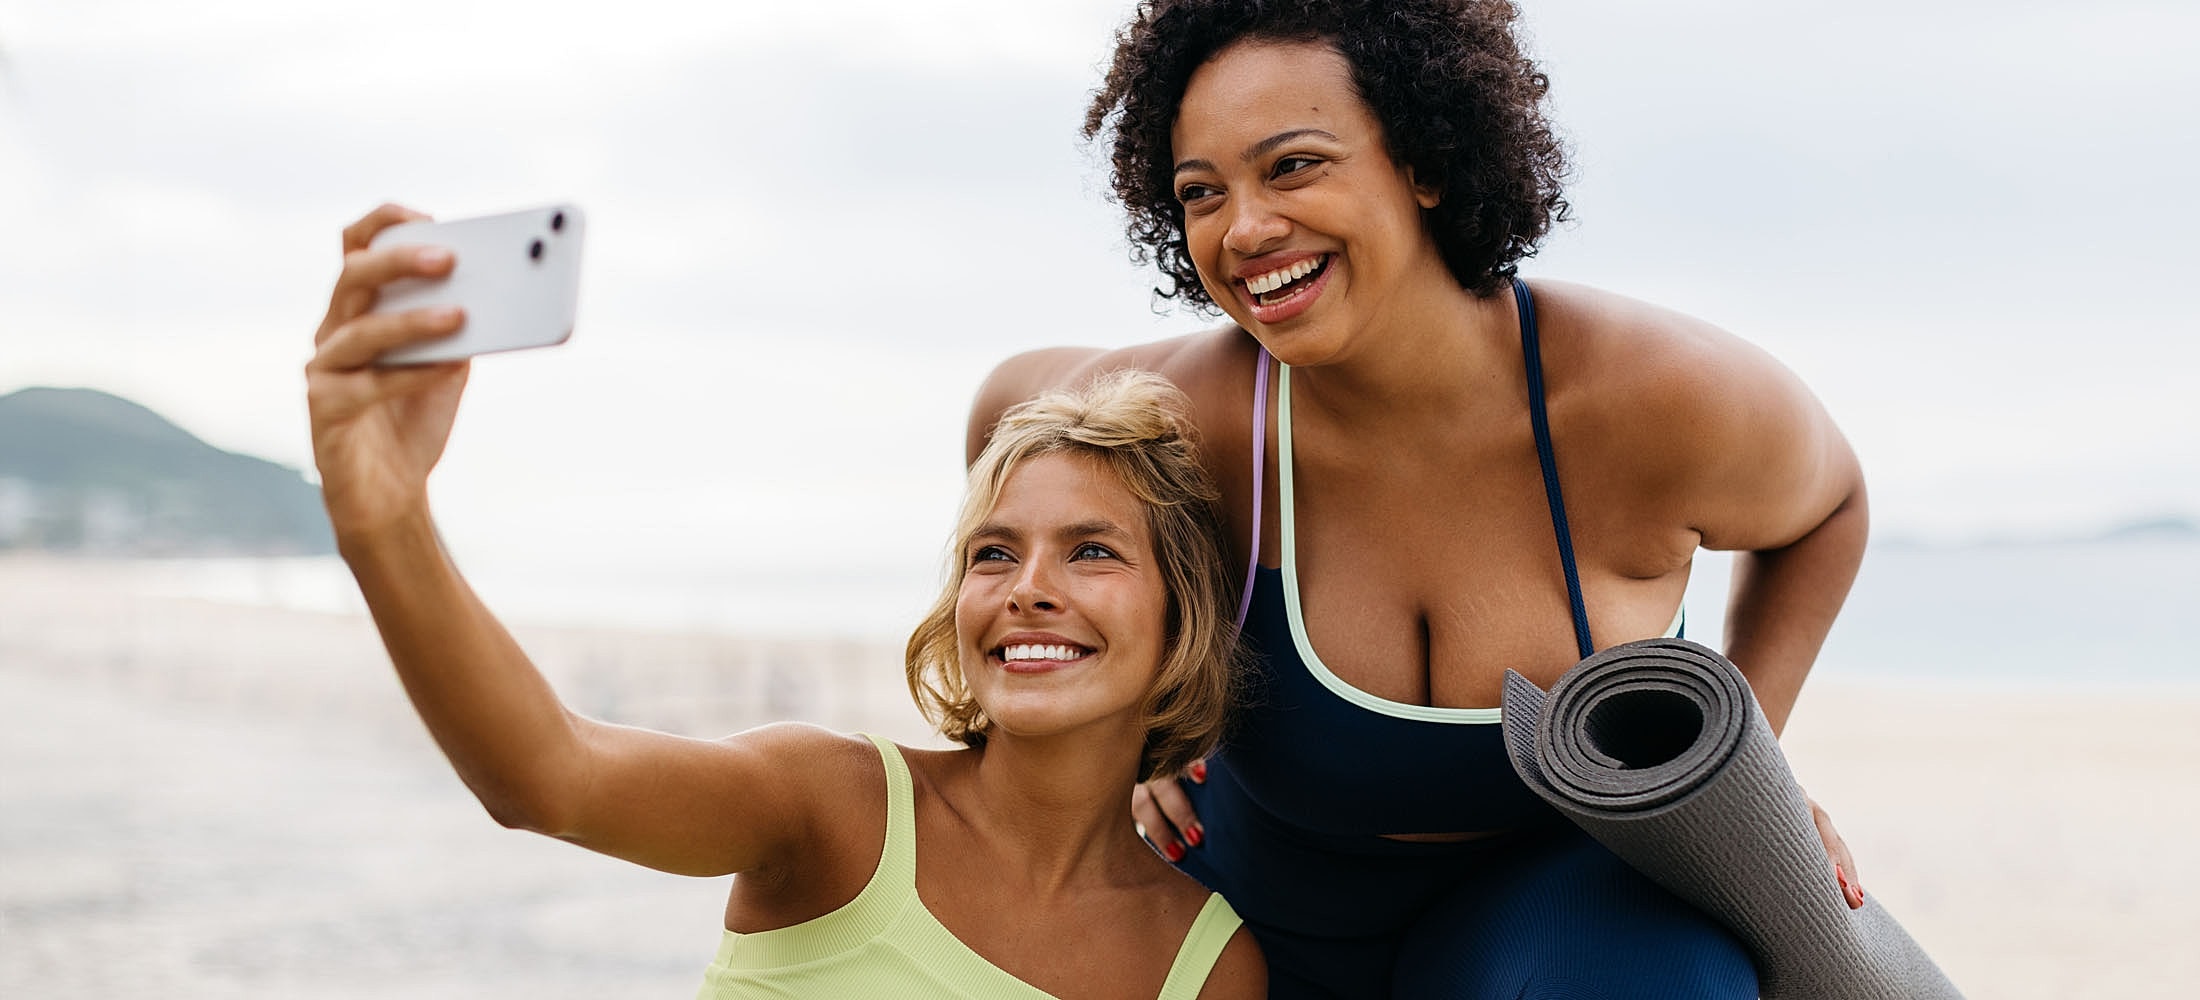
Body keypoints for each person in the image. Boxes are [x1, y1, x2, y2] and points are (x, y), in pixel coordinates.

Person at [968, 1, 1870, 996]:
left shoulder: (1647, 403)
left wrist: (1745, 776)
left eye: (1294, 165)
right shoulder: (1194, 419)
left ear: (1426, 163)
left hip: (1560, 910)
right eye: (1201, 192)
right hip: (1261, 909)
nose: (1245, 229)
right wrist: (1117, 739)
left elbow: (1828, 506)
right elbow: (1007, 412)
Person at [306, 206, 1265, 1000]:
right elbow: (549, 776)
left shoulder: (1204, 965)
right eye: (992, 553)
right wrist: (385, 522)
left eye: (1091, 551)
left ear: (1182, 612)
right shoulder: (832, 809)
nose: (1027, 591)